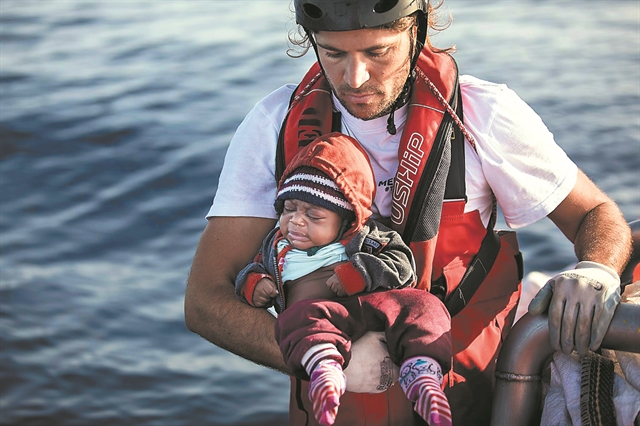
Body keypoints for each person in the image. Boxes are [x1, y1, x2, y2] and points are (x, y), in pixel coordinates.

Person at [184, 0, 633, 424]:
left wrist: (596, 269)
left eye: (378, 51)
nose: (355, 76)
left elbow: (594, 212)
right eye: (333, 52)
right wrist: (314, 357)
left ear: (418, 31)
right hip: (333, 406)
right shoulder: (272, 125)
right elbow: (206, 301)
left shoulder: (483, 113)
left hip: (470, 402)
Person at [234, 133, 453, 426]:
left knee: (425, 305)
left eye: (313, 214)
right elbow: (249, 270)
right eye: (289, 209)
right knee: (294, 320)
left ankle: (423, 373)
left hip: (373, 306)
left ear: (346, 218)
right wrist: (254, 285)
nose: (297, 221)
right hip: (321, 315)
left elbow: (403, 266)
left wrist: (360, 273)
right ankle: (325, 368)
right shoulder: (276, 246)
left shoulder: (367, 237)